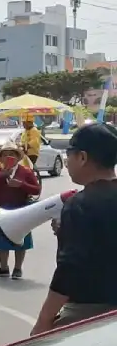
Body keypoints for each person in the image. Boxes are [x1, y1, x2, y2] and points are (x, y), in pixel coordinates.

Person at [31, 123, 117, 333]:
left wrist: (44, 320)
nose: (67, 163)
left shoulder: (80, 204)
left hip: (92, 309)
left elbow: (70, 269)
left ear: (82, 157)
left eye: (69, 155)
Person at [0, 142, 40, 279]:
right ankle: (4, 267)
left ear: (17, 158)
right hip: (0, 210)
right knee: (1, 240)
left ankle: (18, 268)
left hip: (20, 209)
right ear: (1, 158)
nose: (9, 157)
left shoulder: (25, 172)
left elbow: (37, 189)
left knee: (20, 240)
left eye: (12, 154)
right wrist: (1, 177)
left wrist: (22, 185)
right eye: (5, 154)